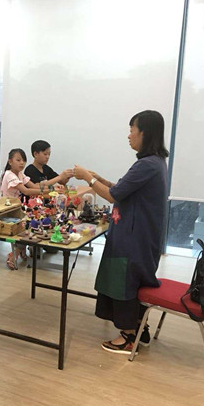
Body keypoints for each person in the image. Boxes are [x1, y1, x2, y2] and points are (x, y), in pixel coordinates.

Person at [73, 110, 169, 354]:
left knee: (125, 282)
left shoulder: (146, 164)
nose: (129, 135)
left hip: (133, 238)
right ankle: (138, 329)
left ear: (144, 133)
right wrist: (100, 179)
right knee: (130, 282)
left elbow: (114, 195)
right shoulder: (155, 162)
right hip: (139, 235)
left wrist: (87, 178)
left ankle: (128, 336)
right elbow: (124, 189)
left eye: (132, 130)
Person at [0, 148, 46, 269]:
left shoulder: (19, 173)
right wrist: (46, 192)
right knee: (30, 224)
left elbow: (34, 186)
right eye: (18, 160)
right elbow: (26, 190)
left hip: (16, 208)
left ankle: (22, 249)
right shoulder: (9, 175)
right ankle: (14, 254)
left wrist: (51, 189)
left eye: (23, 160)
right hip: (7, 210)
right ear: (10, 161)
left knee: (36, 217)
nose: (22, 163)